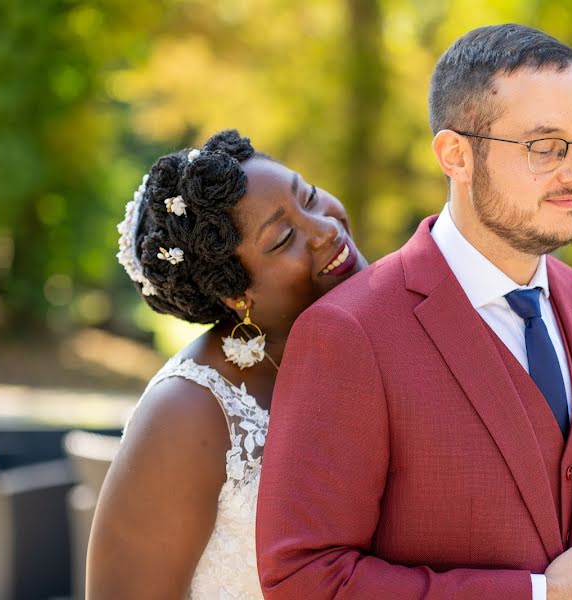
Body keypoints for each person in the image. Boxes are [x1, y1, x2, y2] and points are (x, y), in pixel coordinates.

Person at [257, 24, 572, 600]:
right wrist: (539, 594)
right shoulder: (350, 332)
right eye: (546, 147)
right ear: (456, 155)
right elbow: (306, 578)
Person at [86, 129, 367, 599]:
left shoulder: (362, 345)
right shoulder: (187, 412)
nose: (326, 229)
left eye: (311, 196)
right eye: (282, 239)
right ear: (237, 295)